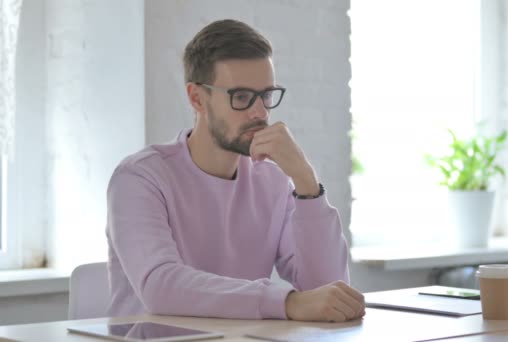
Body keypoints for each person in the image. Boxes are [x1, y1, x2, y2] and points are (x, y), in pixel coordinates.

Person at [105, 19, 365, 322]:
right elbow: (160, 286)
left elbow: (329, 293)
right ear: (197, 98)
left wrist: (306, 181)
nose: (260, 112)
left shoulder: (273, 181)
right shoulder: (139, 178)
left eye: (266, 95)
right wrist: (288, 303)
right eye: (241, 97)